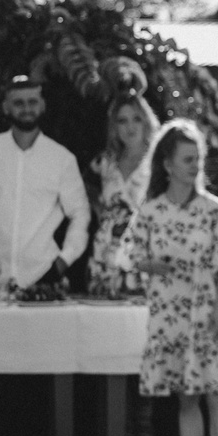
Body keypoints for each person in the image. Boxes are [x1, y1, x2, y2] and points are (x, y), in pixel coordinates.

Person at [128, 119, 218, 436]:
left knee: (216, 391)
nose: (195, 166)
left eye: (198, 159)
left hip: (205, 309)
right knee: (186, 395)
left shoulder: (213, 210)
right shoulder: (150, 211)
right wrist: (151, 266)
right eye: (187, 159)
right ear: (167, 164)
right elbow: (130, 255)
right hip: (169, 313)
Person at [0, 74, 89, 296]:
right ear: (6, 107)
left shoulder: (61, 159)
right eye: (18, 103)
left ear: (42, 106)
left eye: (32, 102)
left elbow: (80, 214)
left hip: (43, 278)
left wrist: (62, 262)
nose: (26, 108)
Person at [88, 90, 161, 298]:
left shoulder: (158, 163)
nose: (130, 127)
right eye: (122, 120)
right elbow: (85, 196)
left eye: (136, 119)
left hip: (142, 253)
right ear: (114, 126)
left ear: (146, 121)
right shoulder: (104, 163)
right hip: (105, 254)